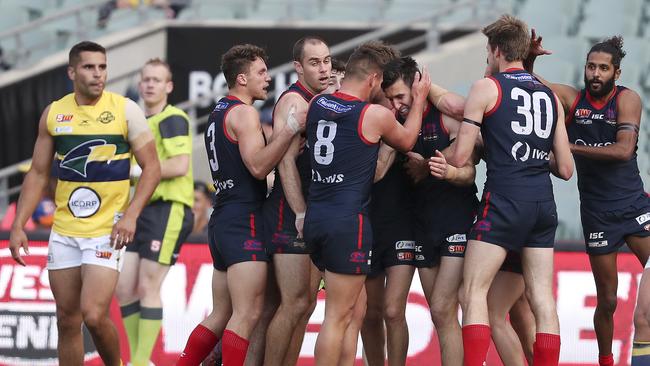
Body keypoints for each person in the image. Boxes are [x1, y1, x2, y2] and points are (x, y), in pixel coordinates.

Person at [8, 41, 160, 366]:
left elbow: (153, 169)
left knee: (93, 314)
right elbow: (37, 173)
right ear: (72, 71)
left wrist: (131, 215)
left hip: (107, 231)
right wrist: (18, 224)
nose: (98, 74)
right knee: (66, 318)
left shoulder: (125, 110)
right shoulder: (54, 113)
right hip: (64, 230)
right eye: (90, 67)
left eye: (102, 67)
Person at [450, 15, 573, 366]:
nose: (487, 57)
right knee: (542, 300)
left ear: (497, 50)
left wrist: (499, 143)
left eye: (488, 50)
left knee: (472, 292)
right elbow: (565, 169)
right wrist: (531, 150)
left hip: (504, 202)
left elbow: (461, 156)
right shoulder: (549, 95)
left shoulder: (487, 87)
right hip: (542, 205)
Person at [526, 32, 650, 366]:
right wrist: (531, 59)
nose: (595, 74)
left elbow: (624, 151)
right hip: (596, 214)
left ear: (617, 73)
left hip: (635, 208)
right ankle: (606, 360)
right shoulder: (573, 99)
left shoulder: (627, 100)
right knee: (607, 300)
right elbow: (527, 84)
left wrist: (567, 149)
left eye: (603, 68)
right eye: (591, 67)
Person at [177, 43, 305, 366]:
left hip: (222, 218)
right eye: (261, 72)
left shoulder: (219, 110)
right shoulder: (245, 113)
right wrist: (287, 131)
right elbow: (258, 167)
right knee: (247, 313)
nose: (268, 79)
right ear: (242, 79)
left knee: (222, 313)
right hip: (244, 218)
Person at [304, 40, 430, 366]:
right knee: (337, 317)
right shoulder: (372, 115)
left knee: (349, 314)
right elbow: (407, 139)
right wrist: (418, 100)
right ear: (373, 79)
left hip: (316, 218)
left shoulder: (318, 103)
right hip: (348, 224)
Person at [115, 58, 194, 366]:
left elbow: (180, 165)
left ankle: (138, 361)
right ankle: (138, 360)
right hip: (140, 208)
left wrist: (135, 170)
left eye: (156, 80)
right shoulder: (136, 123)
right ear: (139, 83)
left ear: (168, 86)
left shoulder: (172, 118)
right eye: (146, 79)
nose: (150, 84)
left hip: (169, 207)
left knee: (149, 285)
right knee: (124, 289)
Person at [262, 36, 332, 366]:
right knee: (293, 303)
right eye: (315, 62)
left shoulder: (321, 100)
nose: (323, 68)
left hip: (311, 211)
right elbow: (285, 162)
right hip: (287, 212)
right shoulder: (295, 101)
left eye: (327, 61)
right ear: (298, 67)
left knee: (303, 305)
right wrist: (300, 212)